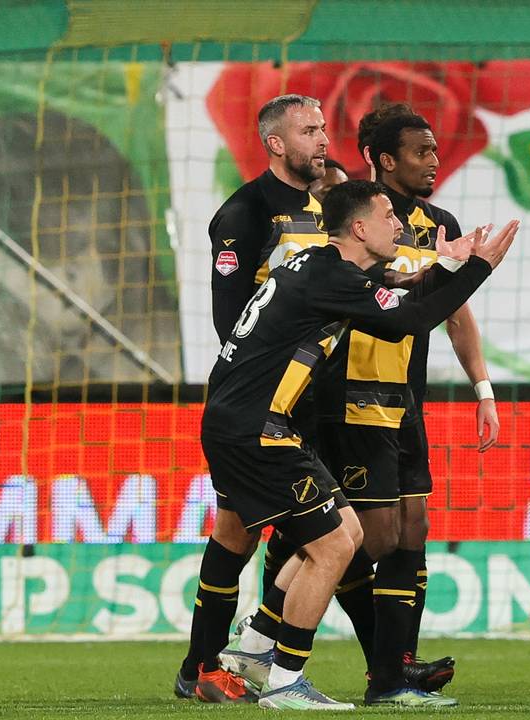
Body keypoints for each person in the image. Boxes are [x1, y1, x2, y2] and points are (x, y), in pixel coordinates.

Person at [199, 179, 517, 709]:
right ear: (360, 227)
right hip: (253, 430)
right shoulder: (329, 276)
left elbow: (397, 285)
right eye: (389, 215)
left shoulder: (320, 267)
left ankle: (257, 647)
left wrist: (453, 264)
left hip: (255, 423)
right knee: (333, 546)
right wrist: (481, 268)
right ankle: (282, 680)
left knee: (344, 534)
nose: (400, 224)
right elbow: (410, 319)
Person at [176, 93, 333, 703]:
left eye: (323, 128)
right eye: (309, 131)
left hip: (312, 396)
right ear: (276, 143)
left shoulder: (328, 210)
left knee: (291, 533)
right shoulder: (245, 212)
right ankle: (206, 664)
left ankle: (243, 657)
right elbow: (232, 320)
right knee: (240, 533)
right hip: (258, 401)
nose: (322, 139)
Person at [369, 109, 501, 697]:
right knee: (351, 536)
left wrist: (483, 389)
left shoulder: (438, 224)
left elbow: (455, 312)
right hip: (349, 400)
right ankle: (268, 628)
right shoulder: (359, 217)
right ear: (387, 160)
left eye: (435, 150)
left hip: (405, 402)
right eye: (421, 152)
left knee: (412, 527)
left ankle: (398, 665)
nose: (434, 161)